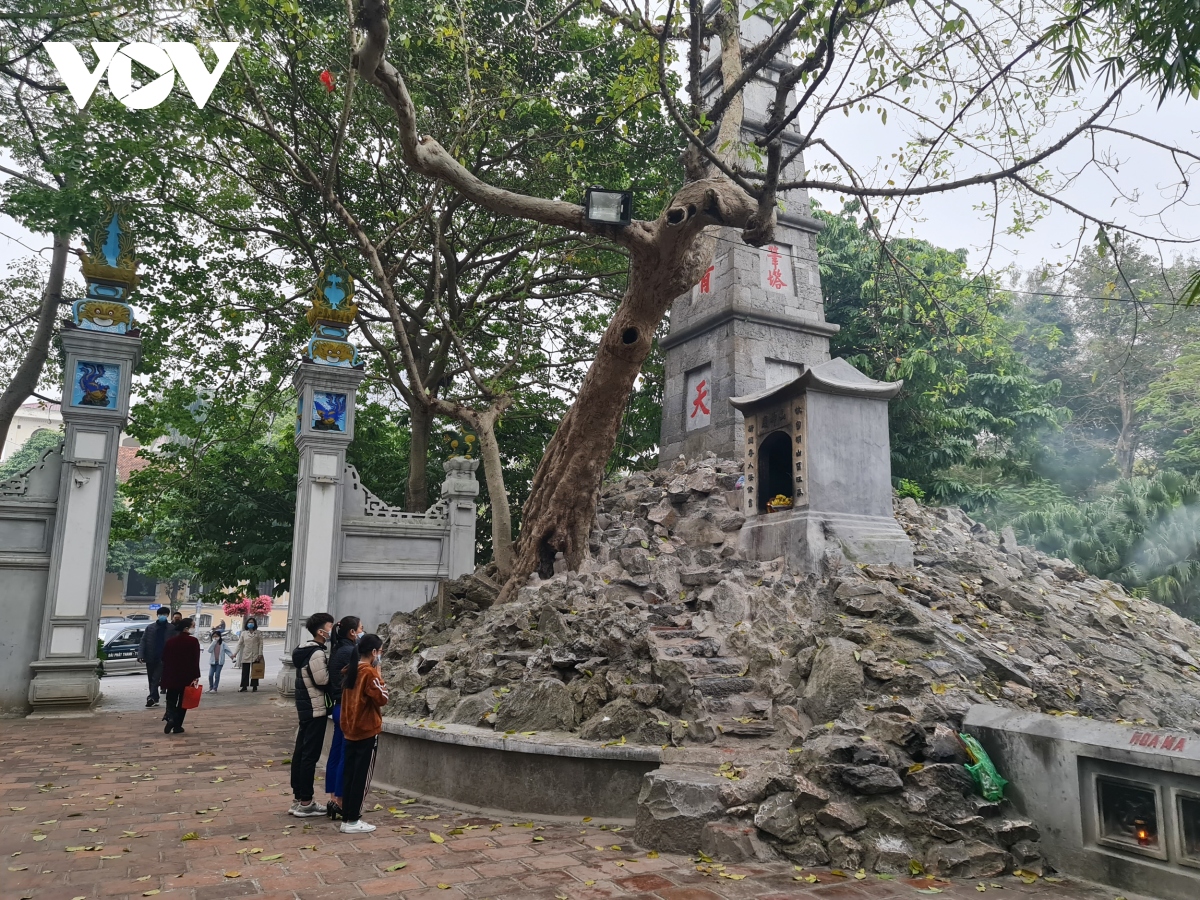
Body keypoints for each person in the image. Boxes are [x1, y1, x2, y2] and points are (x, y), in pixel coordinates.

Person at [338, 633, 389, 834]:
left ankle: (347, 816)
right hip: (366, 730)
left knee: (350, 774)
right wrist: (380, 673)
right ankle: (353, 819)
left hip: (349, 729)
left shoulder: (351, 670)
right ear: (374, 652)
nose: (380, 655)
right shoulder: (369, 672)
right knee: (362, 776)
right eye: (380, 651)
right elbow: (383, 698)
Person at [290, 612, 334, 817]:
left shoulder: (303, 650)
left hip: (305, 708)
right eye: (329, 626)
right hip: (315, 708)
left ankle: (299, 798)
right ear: (320, 631)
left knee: (301, 753)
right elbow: (322, 680)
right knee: (309, 755)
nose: (331, 630)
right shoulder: (316, 653)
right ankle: (306, 802)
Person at [324, 615, 362, 820]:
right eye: (361, 628)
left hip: (337, 708)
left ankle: (332, 798)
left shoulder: (337, 650)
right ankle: (341, 801)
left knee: (336, 754)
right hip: (348, 708)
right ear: (352, 632)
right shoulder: (350, 652)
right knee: (346, 757)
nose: (362, 631)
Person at [161, 617, 201, 734]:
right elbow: (195, 660)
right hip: (187, 676)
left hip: (171, 675)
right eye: (193, 625)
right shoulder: (193, 642)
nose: (194, 628)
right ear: (186, 628)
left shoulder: (170, 641)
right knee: (184, 701)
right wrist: (196, 675)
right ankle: (177, 725)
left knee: (171, 698)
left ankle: (171, 717)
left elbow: (164, 658)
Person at [137, 607, 172, 708]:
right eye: (161, 614)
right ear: (157, 615)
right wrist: (140, 655)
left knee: (155, 678)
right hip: (151, 656)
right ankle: (154, 698)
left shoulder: (171, 628)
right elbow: (143, 641)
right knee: (151, 678)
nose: (162, 616)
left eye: (165, 614)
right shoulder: (150, 628)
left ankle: (151, 697)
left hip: (164, 658)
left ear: (167, 616)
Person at [236, 617, 265, 692]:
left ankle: (254, 686)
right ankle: (244, 686)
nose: (250, 624)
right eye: (249, 622)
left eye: (252, 622)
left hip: (256, 654)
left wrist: (260, 654)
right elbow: (239, 644)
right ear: (247, 624)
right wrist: (235, 653)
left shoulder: (258, 633)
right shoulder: (244, 633)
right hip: (246, 654)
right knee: (245, 671)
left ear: (254, 624)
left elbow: (261, 644)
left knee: (255, 670)